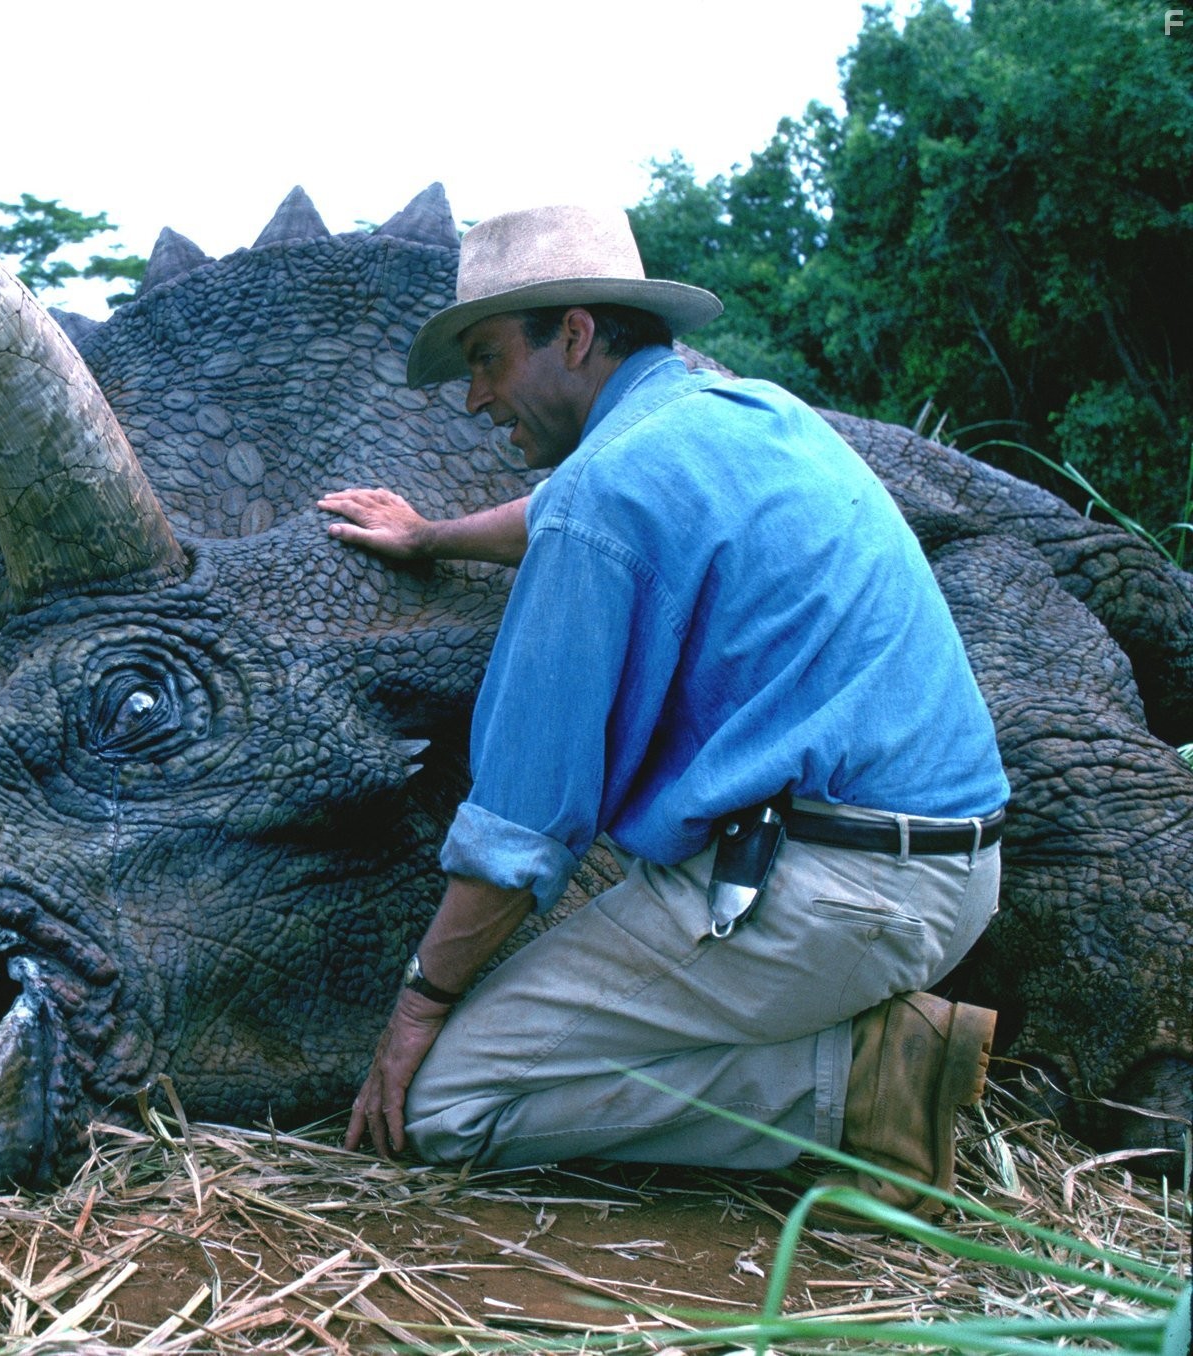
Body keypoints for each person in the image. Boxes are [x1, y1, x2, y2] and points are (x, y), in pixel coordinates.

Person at [320, 205, 1011, 1216]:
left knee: (449, 1105)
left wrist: (418, 1007)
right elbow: (567, 511)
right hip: (955, 872)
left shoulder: (606, 491)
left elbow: (521, 827)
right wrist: (432, 537)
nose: (474, 398)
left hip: (835, 898)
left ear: (574, 335)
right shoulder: (748, 413)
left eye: (486, 359)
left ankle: (858, 1083)